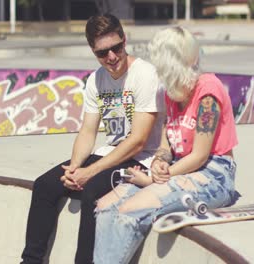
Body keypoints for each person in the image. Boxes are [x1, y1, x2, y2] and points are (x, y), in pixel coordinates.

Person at [20, 14, 165, 264]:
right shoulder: (96, 80)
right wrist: (75, 167)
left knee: (91, 192)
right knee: (44, 185)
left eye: (116, 48)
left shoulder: (145, 75)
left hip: (141, 159)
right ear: (93, 51)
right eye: (102, 53)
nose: (111, 57)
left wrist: (90, 173)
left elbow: (139, 140)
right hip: (110, 154)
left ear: (124, 40)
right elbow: (88, 131)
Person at [93, 26, 239, 264]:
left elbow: (200, 156)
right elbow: (165, 145)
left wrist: (152, 179)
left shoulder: (208, 90)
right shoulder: (170, 93)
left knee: (130, 210)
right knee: (105, 206)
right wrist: (160, 162)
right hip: (181, 168)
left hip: (215, 174)